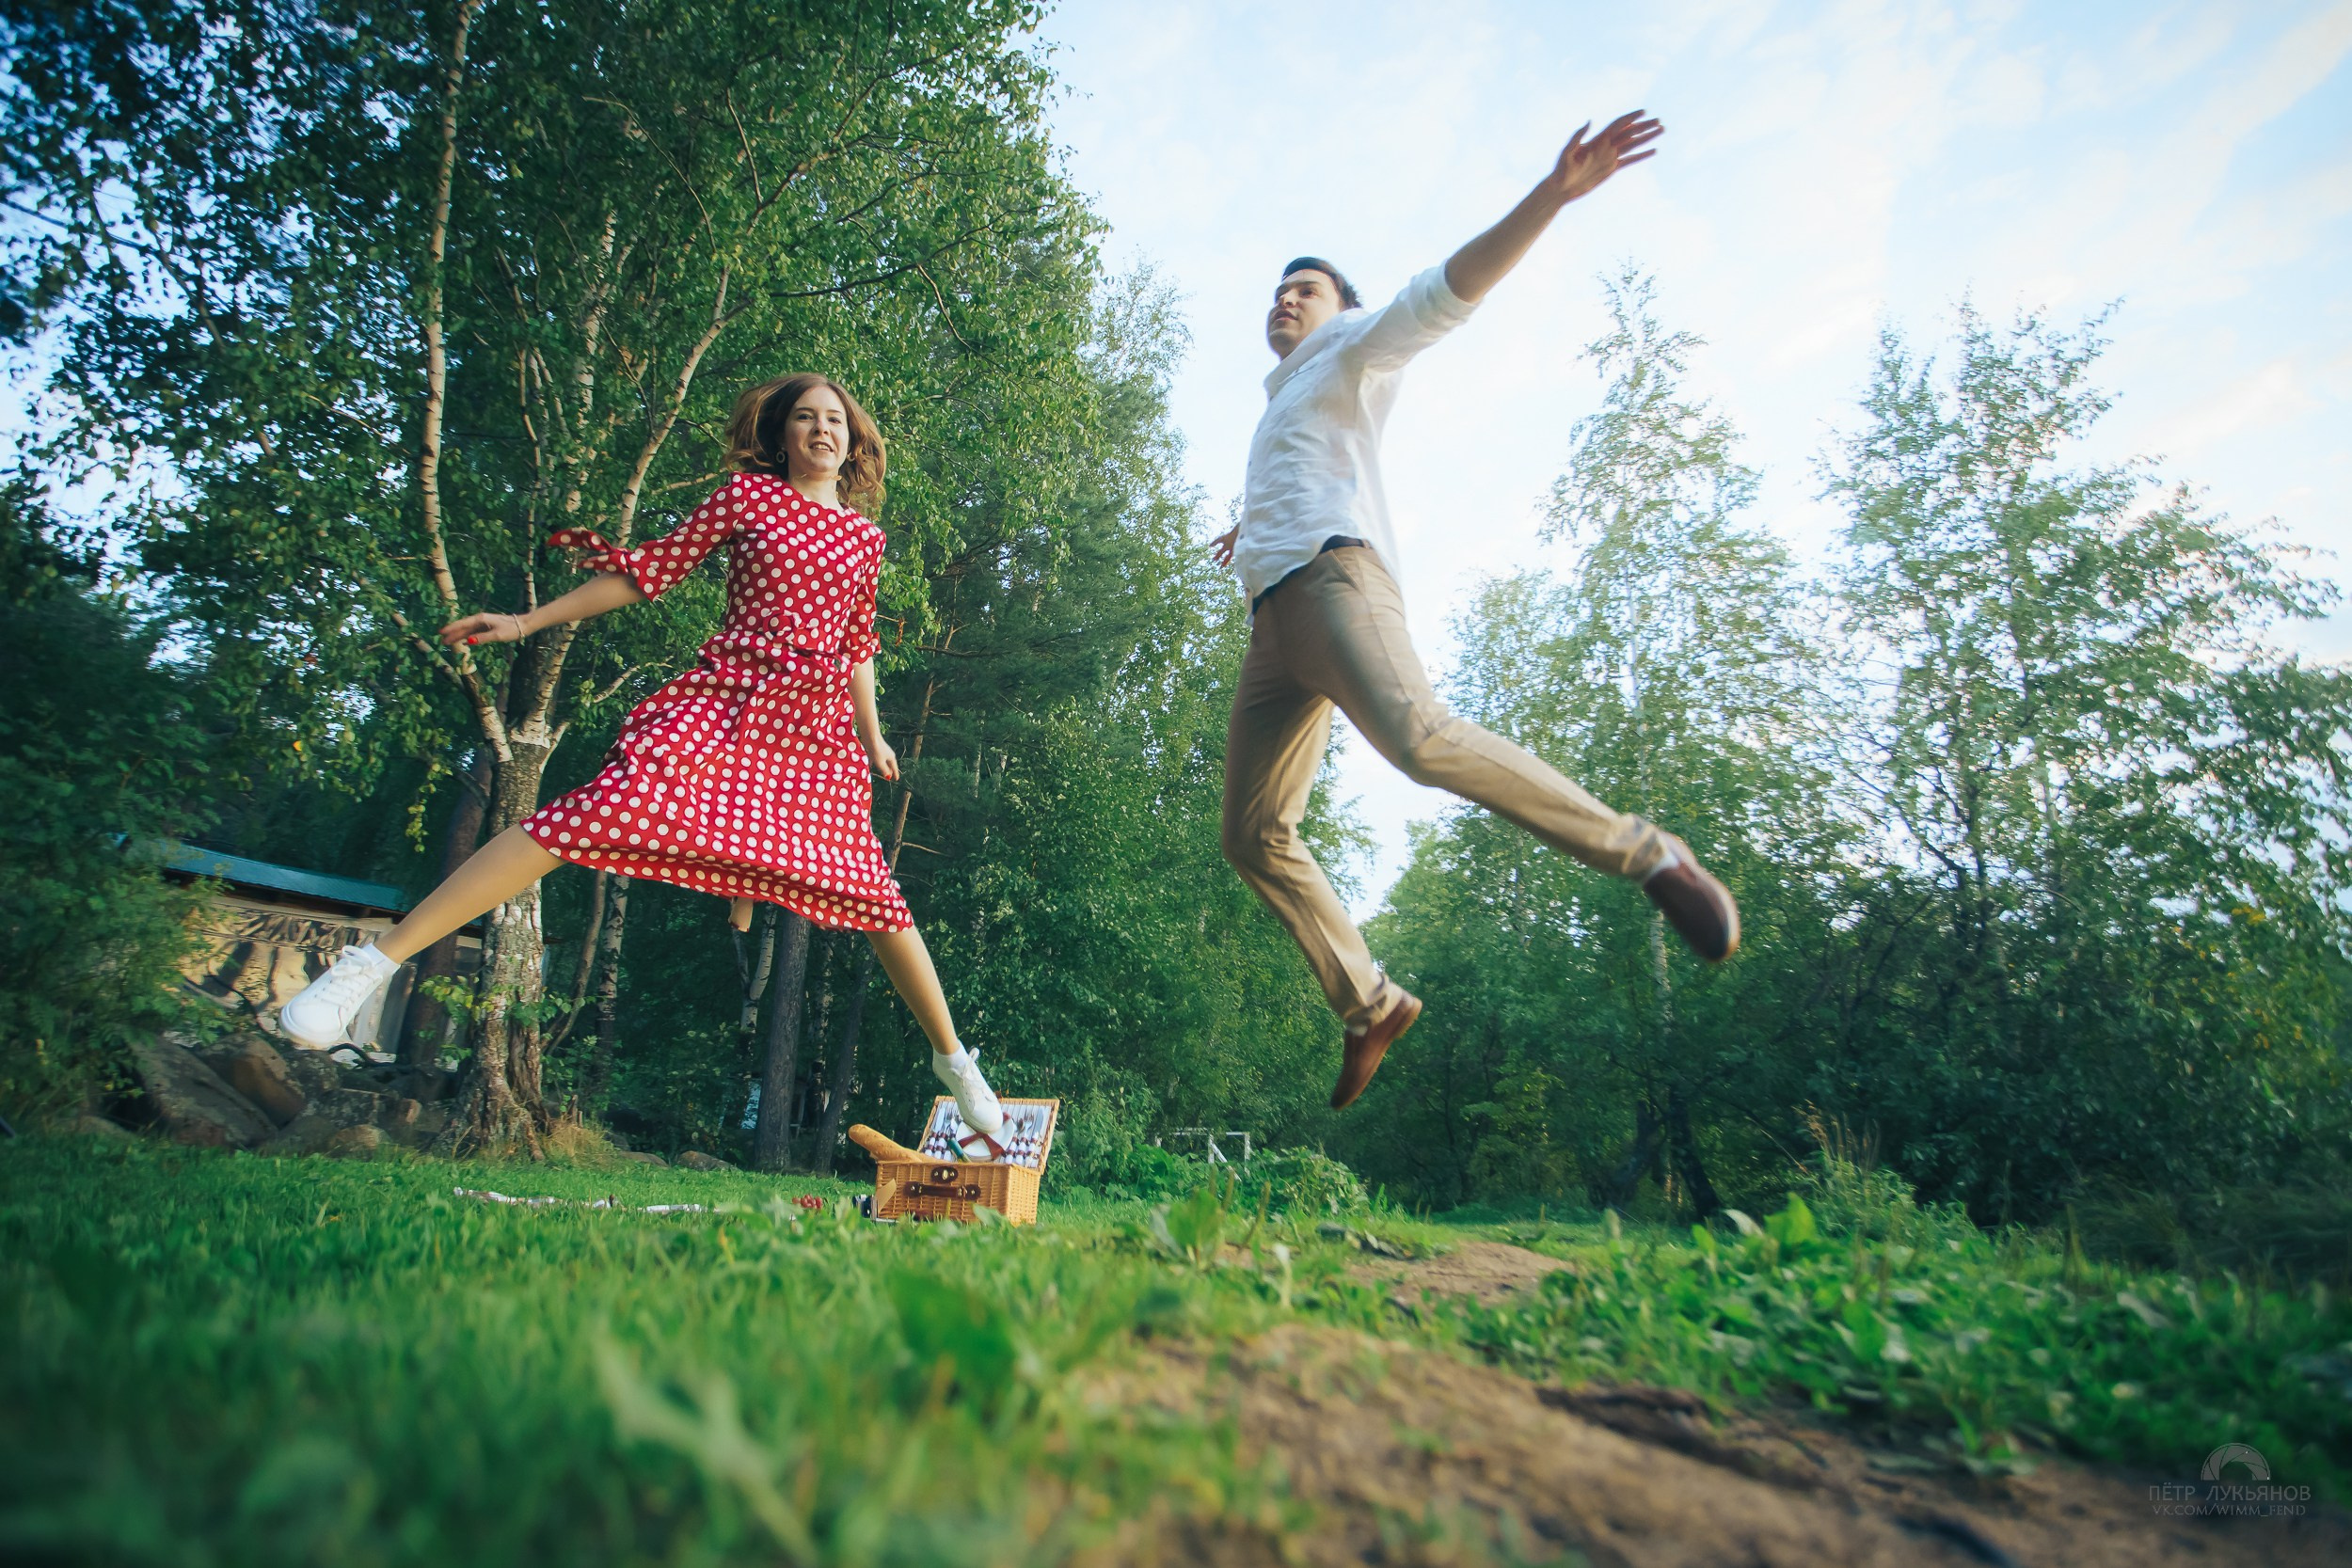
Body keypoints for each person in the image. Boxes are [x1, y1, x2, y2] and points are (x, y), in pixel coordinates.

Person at [277, 374, 1007, 1142]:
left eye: (835, 420)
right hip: (729, 701)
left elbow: (856, 643)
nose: (822, 430)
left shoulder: (866, 540)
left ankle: (955, 1062)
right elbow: (644, 571)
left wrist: (873, 728)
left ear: (852, 441)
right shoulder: (746, 499)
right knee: (592, 812)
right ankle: (374, 963)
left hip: (813, 733)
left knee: (872, 892)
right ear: (781, 436)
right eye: (804, 418)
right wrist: (527, 621)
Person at [1209, 111, 1740, 1113]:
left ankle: (1648, 852)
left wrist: (1553, 192)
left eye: (1305, 288)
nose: (1285, 298)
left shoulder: (1356, 347)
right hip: (1273, 626)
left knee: (1420, 739)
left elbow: (1447, 289)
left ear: (1340, 309)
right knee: (1250, 832)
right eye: (1278, 289)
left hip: (1334, 585)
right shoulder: (1278, 401)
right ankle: (1368, 1001)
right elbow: (1301, 471)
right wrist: (1248, 532)